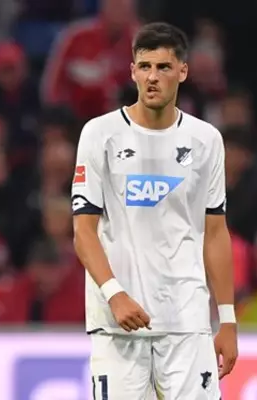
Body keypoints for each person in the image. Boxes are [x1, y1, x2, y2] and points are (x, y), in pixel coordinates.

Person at [72, 22, 238, 399]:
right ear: (132, 71)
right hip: (117, 322)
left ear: (183, 71)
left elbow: (215, 233)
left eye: (163, 67)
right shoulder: (100, 134)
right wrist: (114, 294)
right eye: (144, 67)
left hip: (187, 321)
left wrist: (227, 319)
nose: (152, 77)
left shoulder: (206, 140)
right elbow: (83, 231)